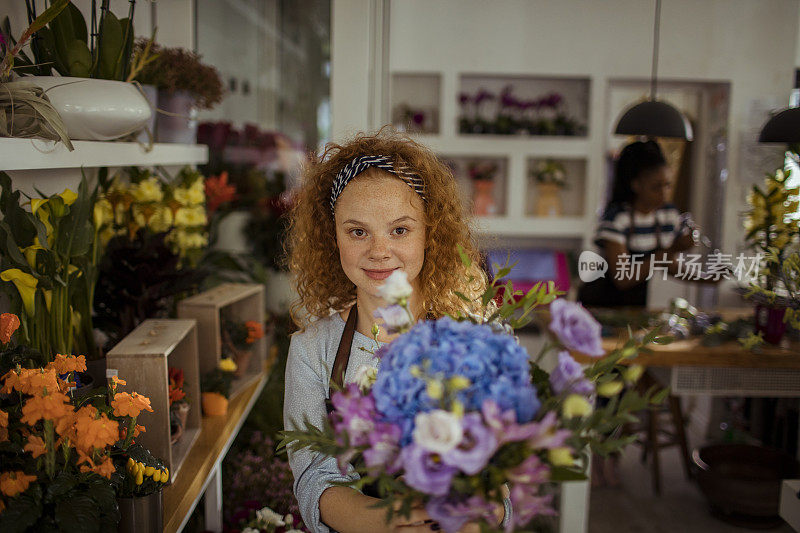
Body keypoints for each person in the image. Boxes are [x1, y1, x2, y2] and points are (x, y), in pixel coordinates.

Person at [283, 130, 505, 533]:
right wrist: (392, 521)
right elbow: (314, 479)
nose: (379, 250)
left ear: (430, 233)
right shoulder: (311, 350)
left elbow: (501, 481)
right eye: (357, 231)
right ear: (333, 238)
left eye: (399, 230)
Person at [578, 140, 699, 308]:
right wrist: (672, 249)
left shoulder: (667, 215)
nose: (664, 194)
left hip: (636, 307)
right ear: (636, 185)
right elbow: (623, 278)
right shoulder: (618, 219)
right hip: (602, 306)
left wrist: (708, 278)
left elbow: (668, 264)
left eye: (668, 186)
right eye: (656, 187)